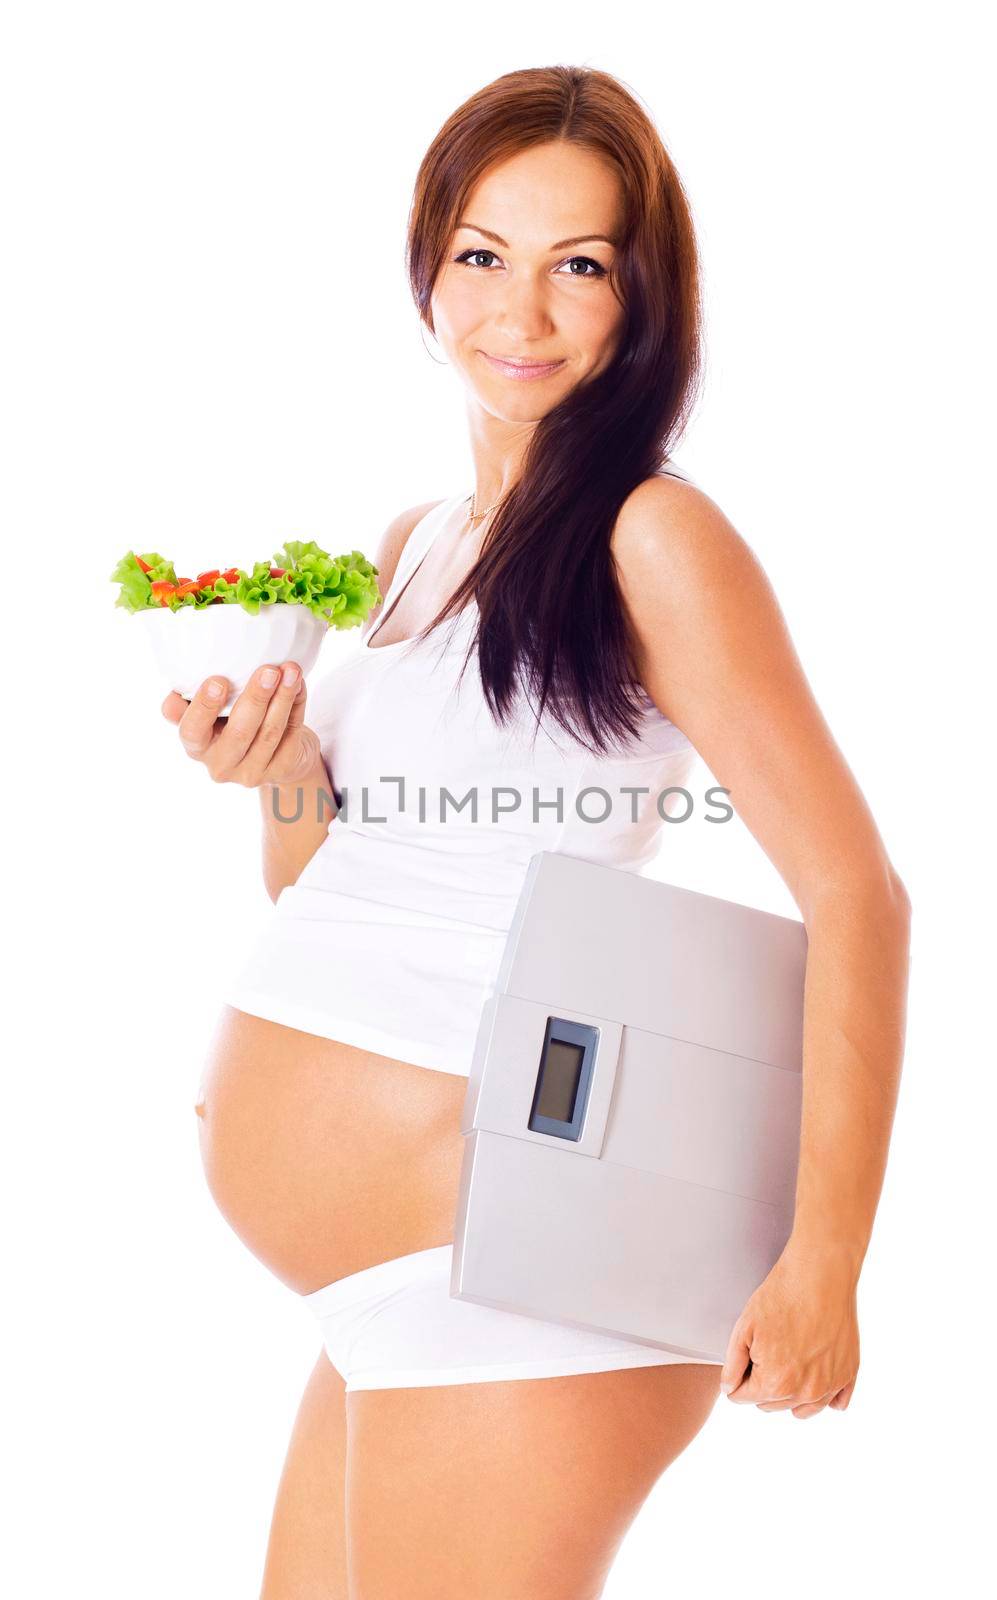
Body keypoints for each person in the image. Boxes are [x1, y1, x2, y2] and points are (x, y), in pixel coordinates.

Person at [164, 65, 911, 1600]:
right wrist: (283, 761)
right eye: (482, 256)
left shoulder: (652, 534)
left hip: (523, 1267)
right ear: (427, 266)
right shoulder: (410, 547)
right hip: (388, 1286)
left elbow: (856, 892)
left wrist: (826, 1259)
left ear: (642, 297)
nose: (520, 310)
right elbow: (331, 879)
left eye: (578, 264)